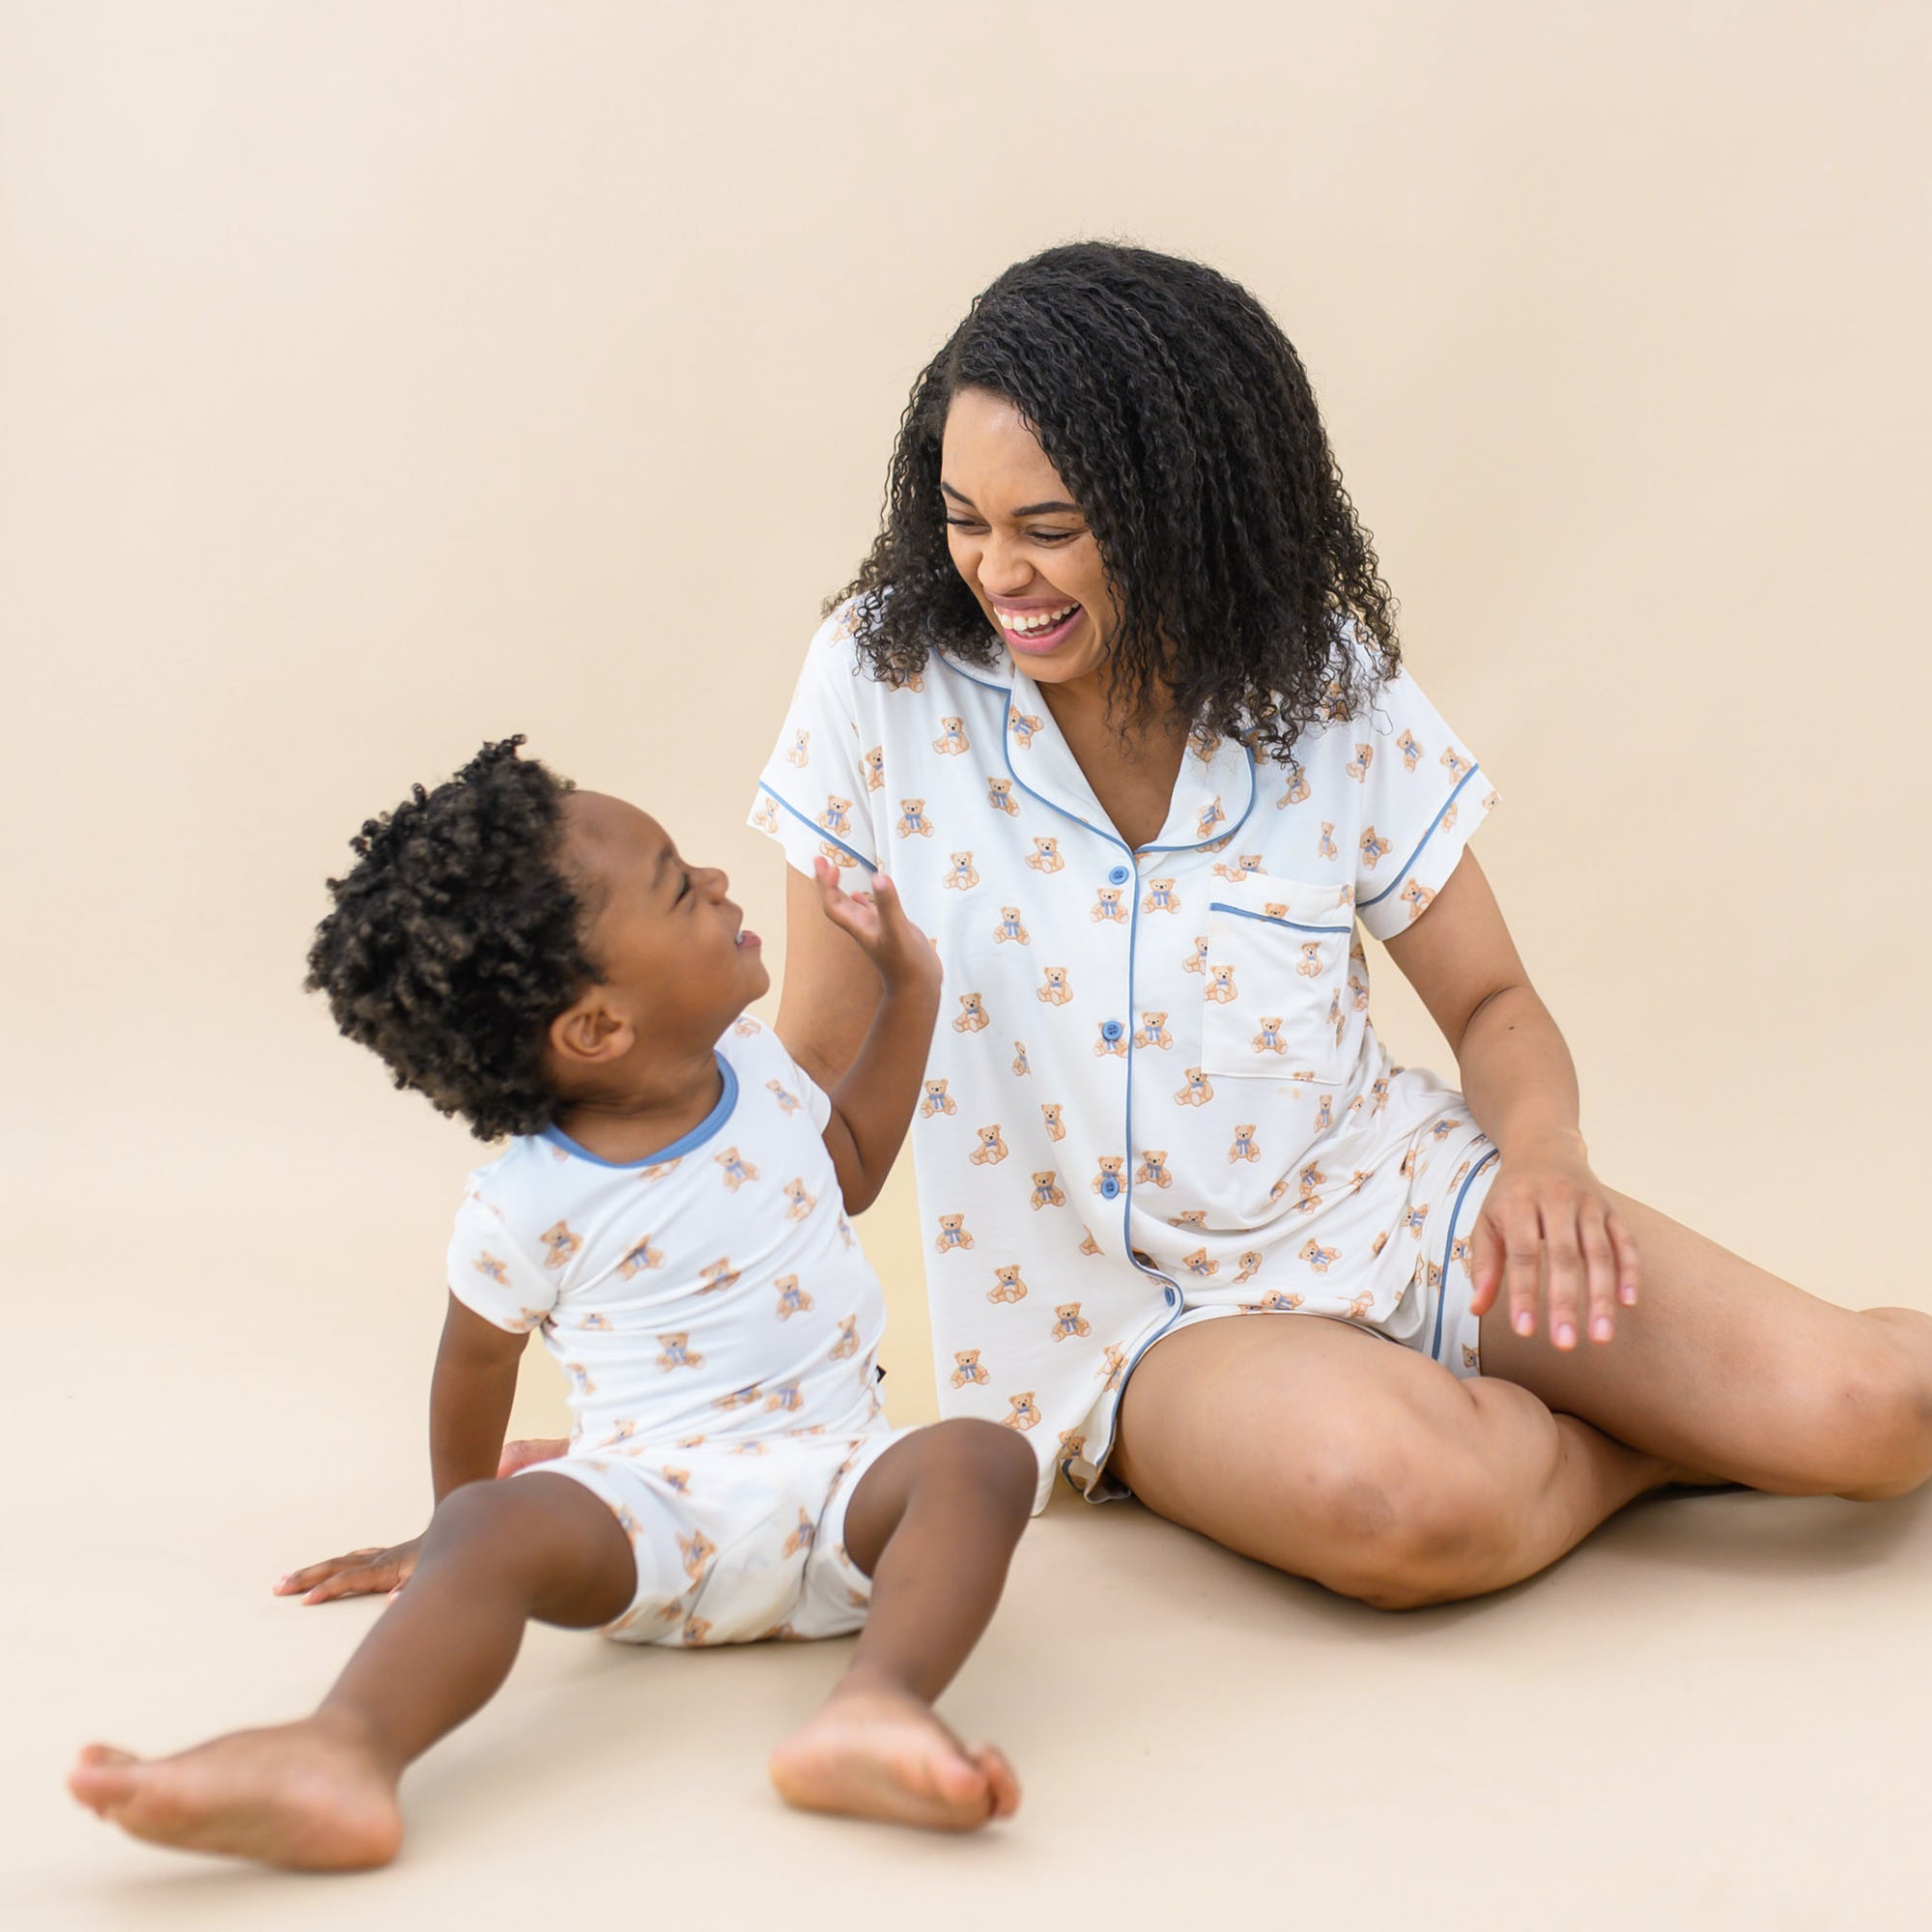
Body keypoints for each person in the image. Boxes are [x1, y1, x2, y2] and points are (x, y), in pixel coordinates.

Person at [747, 242, 1932, 1609]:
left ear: (1177, 503)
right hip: (1135, 1321)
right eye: (964, 518)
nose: (997, 571)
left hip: (1398, 1203)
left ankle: (1613, 1422)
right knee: (1403, 1505)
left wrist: (1545, 1163)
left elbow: (1489, 1001)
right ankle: (1646, 1449)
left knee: (1873, 1417)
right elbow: (809, 1087)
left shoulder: (1317, 680)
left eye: (1049, 527)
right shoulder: (878, 684)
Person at [67, 739, 1035, 1868]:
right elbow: (472, 1365)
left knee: (981, 1456)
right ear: (596, 1028)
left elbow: (852, 1167)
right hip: (642, 1519)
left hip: (839, 1494)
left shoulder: (756, 1063)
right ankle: (341, 1751)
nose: (717, 879)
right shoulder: (523, 1203)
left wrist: (910, 988)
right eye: (679, 887)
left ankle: (875, 1704)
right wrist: (449, 1524)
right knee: (492, 1519)